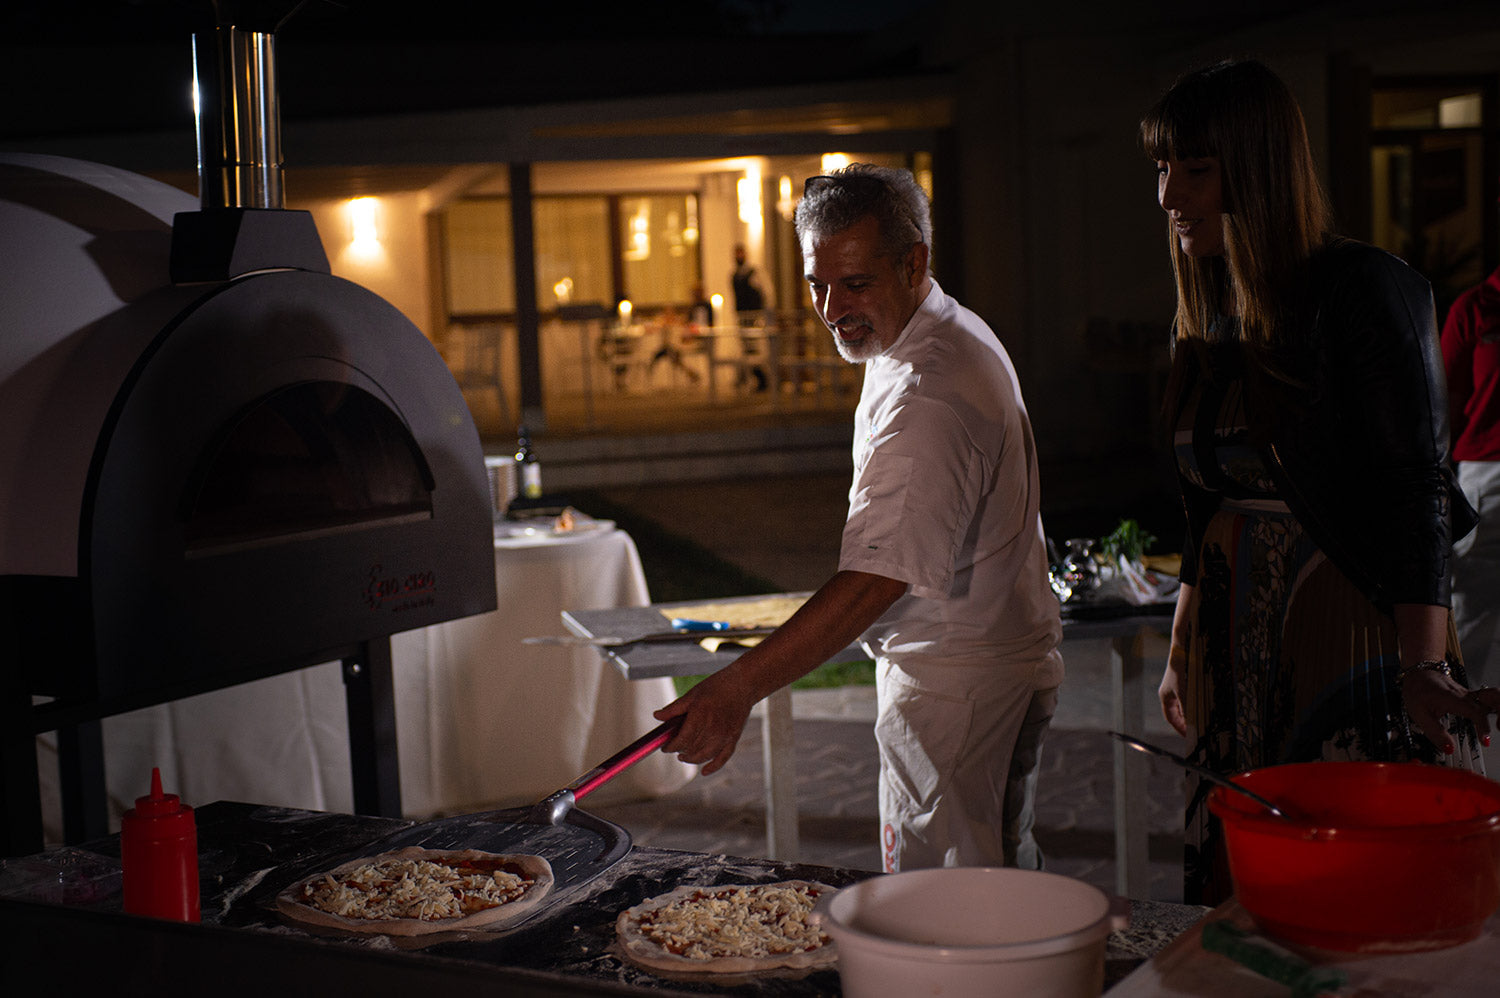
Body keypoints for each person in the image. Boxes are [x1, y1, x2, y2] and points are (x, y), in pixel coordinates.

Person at [1143, 59, 1495, 905]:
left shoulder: (1366, 289)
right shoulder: (1210, 313)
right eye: (1161, 169)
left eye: (1195, 169)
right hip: (1235, 641)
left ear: (1256, 168)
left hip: (1343, 627)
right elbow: (1205, 500)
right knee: (1244, 877)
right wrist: (1183, 640)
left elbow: (1418, 484)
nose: (1168, 197)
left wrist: (1422, 664)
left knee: (1342, 874)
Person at [656, 164, 1064, 872]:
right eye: (817, 284)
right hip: (968, 670)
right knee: (980, 894)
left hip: (960, 688)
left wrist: (739, 685)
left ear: (914, 264)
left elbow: (878, 577)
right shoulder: (929, 329)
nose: (830, 307)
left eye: (855, 283)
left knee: (958, 916)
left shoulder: (929, 392)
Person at [1443, 262, 1500, 694]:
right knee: (1471, 610)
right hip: (1487, 475)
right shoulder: (1476, 307)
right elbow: (1443, 405)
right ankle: (1453, 725)